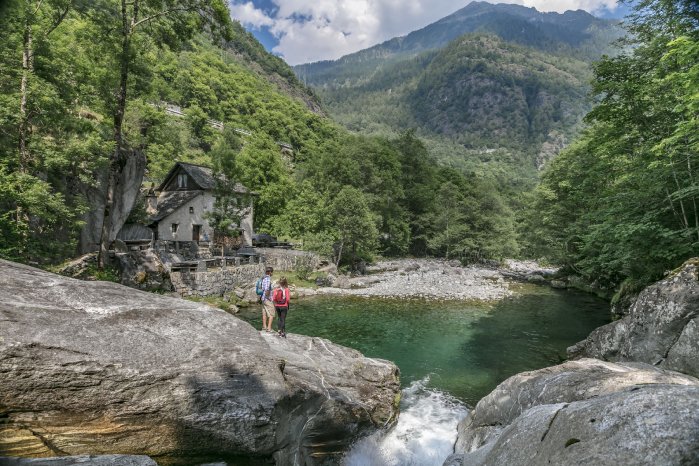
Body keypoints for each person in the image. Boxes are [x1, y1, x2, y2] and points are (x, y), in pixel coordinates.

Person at [261, 266, 275, 332]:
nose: (272, 273)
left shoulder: (263, 278)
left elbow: (263, 288)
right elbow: (267, 290)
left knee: (264, 312)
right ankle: (269, 328)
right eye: (272, 272)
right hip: (267, 299)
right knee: (272, 313)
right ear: (270, 272)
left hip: (263, 298)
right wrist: (269, 298)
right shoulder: (268, 279)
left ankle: (264, 326)